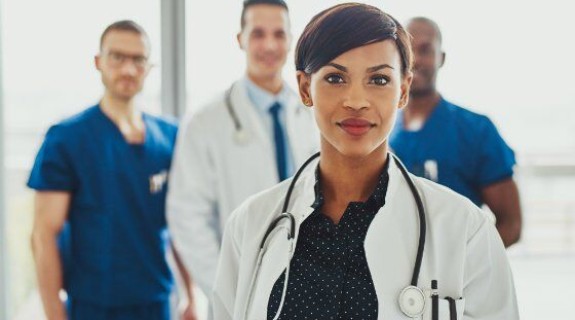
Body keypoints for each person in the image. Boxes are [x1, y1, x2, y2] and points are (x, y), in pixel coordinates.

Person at [212, 3, 519, 319]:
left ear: (403, 90)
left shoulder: (464, 229)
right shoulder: (250, 225)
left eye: (379, 80)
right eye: (335, 78)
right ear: (306, 89)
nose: (356, 101)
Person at [28, 21, 196, 320]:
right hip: (93, 306)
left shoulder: (171, 137)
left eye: (138, 60)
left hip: (157, 302)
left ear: (149, 67)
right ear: (98, 62)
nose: (128, 69)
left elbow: (181, 225)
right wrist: (54, 314)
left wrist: (190, 295)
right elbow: (44, 235)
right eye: (117, 57)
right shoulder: (67, 138)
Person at [166, 0, 318, 296]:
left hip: (310, 284)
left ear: (290, 40)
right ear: (241, 39)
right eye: (258, 34)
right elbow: (187, 216)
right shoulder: (206, 122)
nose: (270, 45)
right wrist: (229, 287)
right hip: (240, 290)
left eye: (279, 34)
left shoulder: (312, 114)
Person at [389, 17, 521, 247]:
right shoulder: (379, 131)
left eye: (426, 50)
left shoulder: (476, 130)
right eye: (408, 51)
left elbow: (511, 224)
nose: (416, 60)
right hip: (393, 278)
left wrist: (463, 267)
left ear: (442, 58)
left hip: (456, 279)